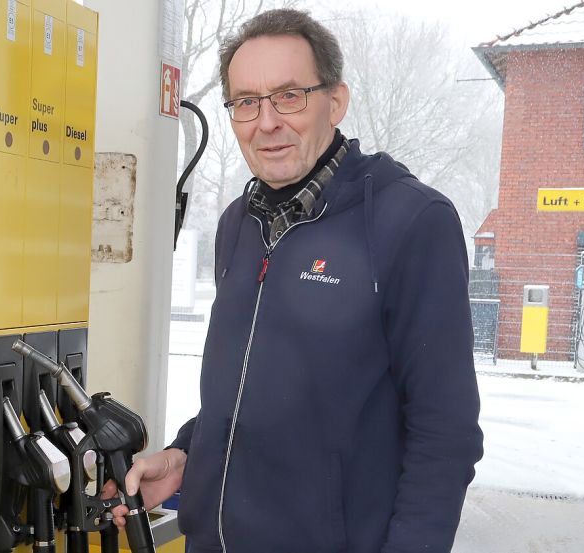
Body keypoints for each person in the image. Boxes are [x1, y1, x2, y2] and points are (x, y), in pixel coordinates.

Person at [104, 9, 484, 552]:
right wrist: (187, 454)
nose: (266, 122)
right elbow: (246, 387)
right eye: (246, 102)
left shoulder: (409, 222)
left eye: (289, 96)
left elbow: (445, 434)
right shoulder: (239, 223)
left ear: (336, 101)